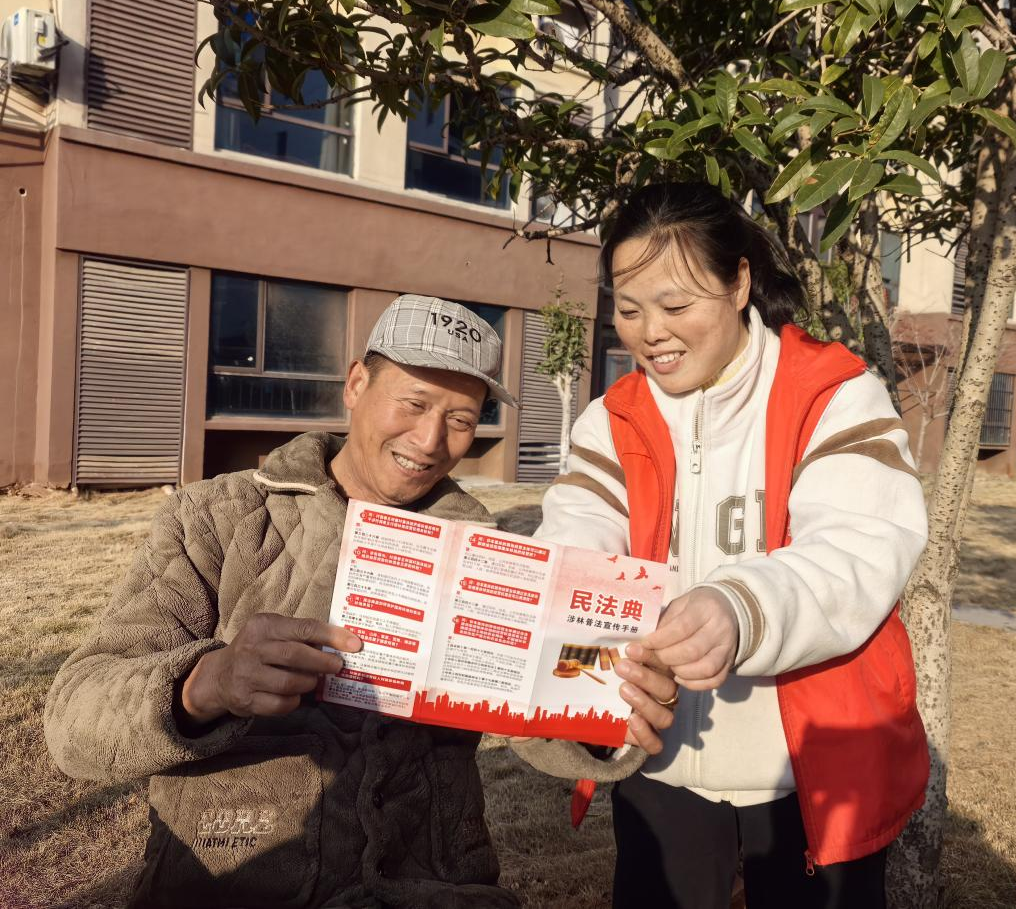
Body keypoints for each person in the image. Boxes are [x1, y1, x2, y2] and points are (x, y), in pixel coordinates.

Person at [43, 294, 678, 909]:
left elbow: (533, 722)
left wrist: (601, 707)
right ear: (355, 385)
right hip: (232, 879)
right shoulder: (216, 519)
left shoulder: (484, 551)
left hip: (434, 886)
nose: (431, 440)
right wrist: (204, 684)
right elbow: (75, 724)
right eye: (414, 402)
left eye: (461, 419)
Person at [528, 183, 931, 909]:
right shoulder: (610, 420)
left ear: (740, 281)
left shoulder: (833, 394)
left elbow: (858, 548)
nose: (651, 331)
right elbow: (576, 542)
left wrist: (738, 608)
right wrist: (569, 637)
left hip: (809, 772)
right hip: (663, 767)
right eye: (629, 307)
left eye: (677, 305)